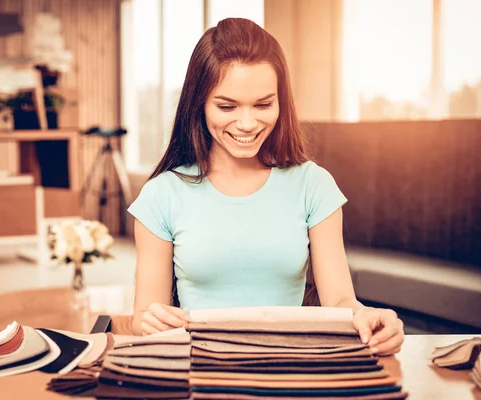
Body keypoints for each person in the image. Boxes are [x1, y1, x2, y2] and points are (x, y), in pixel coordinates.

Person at [128, 18, 404, 355]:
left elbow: (340, 301)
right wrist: (150, 322)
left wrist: (369, 317)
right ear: (198, 104)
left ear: (281, 102)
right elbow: (145, 314)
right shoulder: (162, 195)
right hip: (200, 368)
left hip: (288, 366)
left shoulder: (312, 184)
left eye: (263, 104)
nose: (247, 123)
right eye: (226, 106)